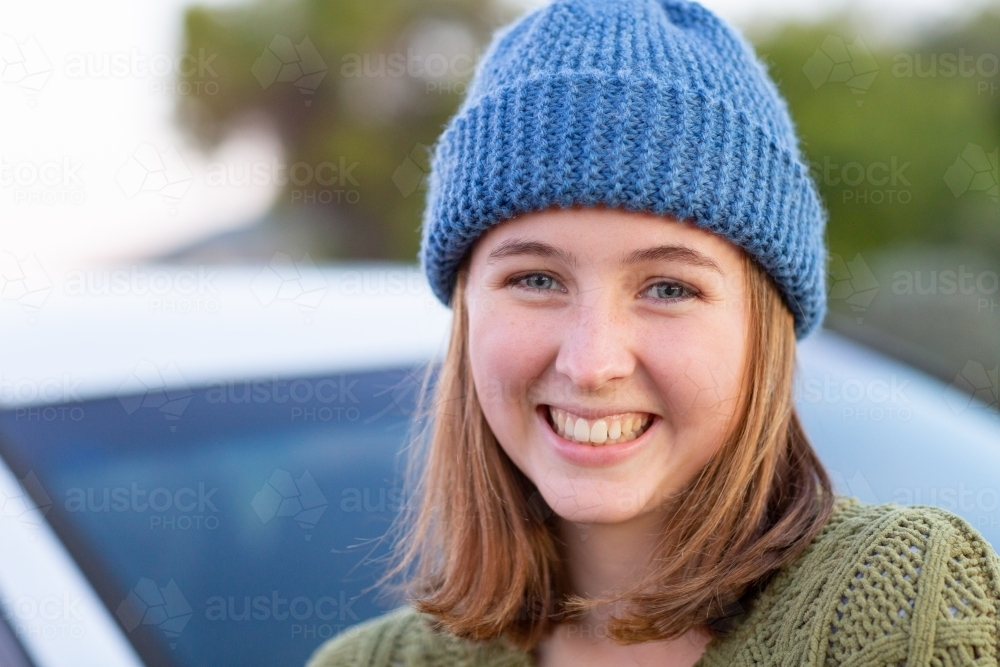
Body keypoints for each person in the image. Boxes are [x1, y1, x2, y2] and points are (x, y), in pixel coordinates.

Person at [307, 0, 1000, 665]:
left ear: (765, 328)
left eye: (669, 288)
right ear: (465, 310)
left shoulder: (896, 609)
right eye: (536, 280)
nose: (591, 362)